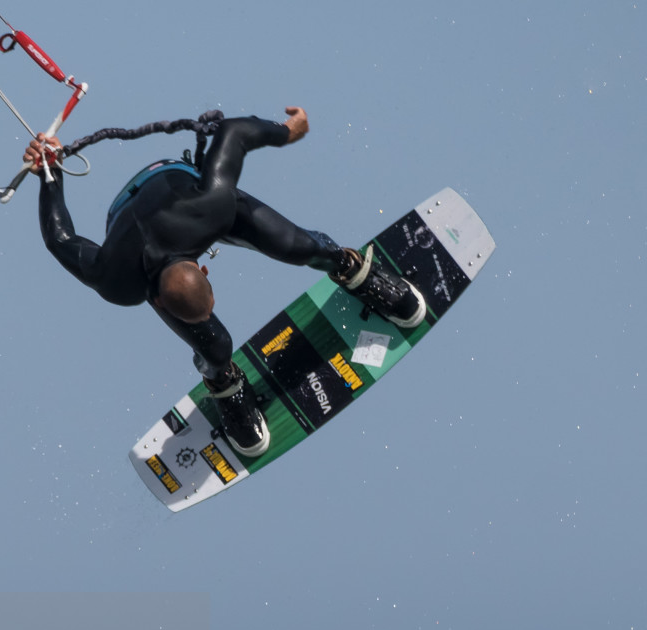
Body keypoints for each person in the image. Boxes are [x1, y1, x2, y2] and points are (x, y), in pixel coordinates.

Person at [25, 110, 425, 458]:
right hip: (126, 225)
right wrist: (49, 172)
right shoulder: (118, 280)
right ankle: (222, 380)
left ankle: (349, 266)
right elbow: (59, 241)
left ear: (201, 271)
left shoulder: (210, 203)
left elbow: (233, 132)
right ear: (160, 302)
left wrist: (289, 130)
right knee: (215, 345)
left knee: (299, 245)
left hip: (181, 190)